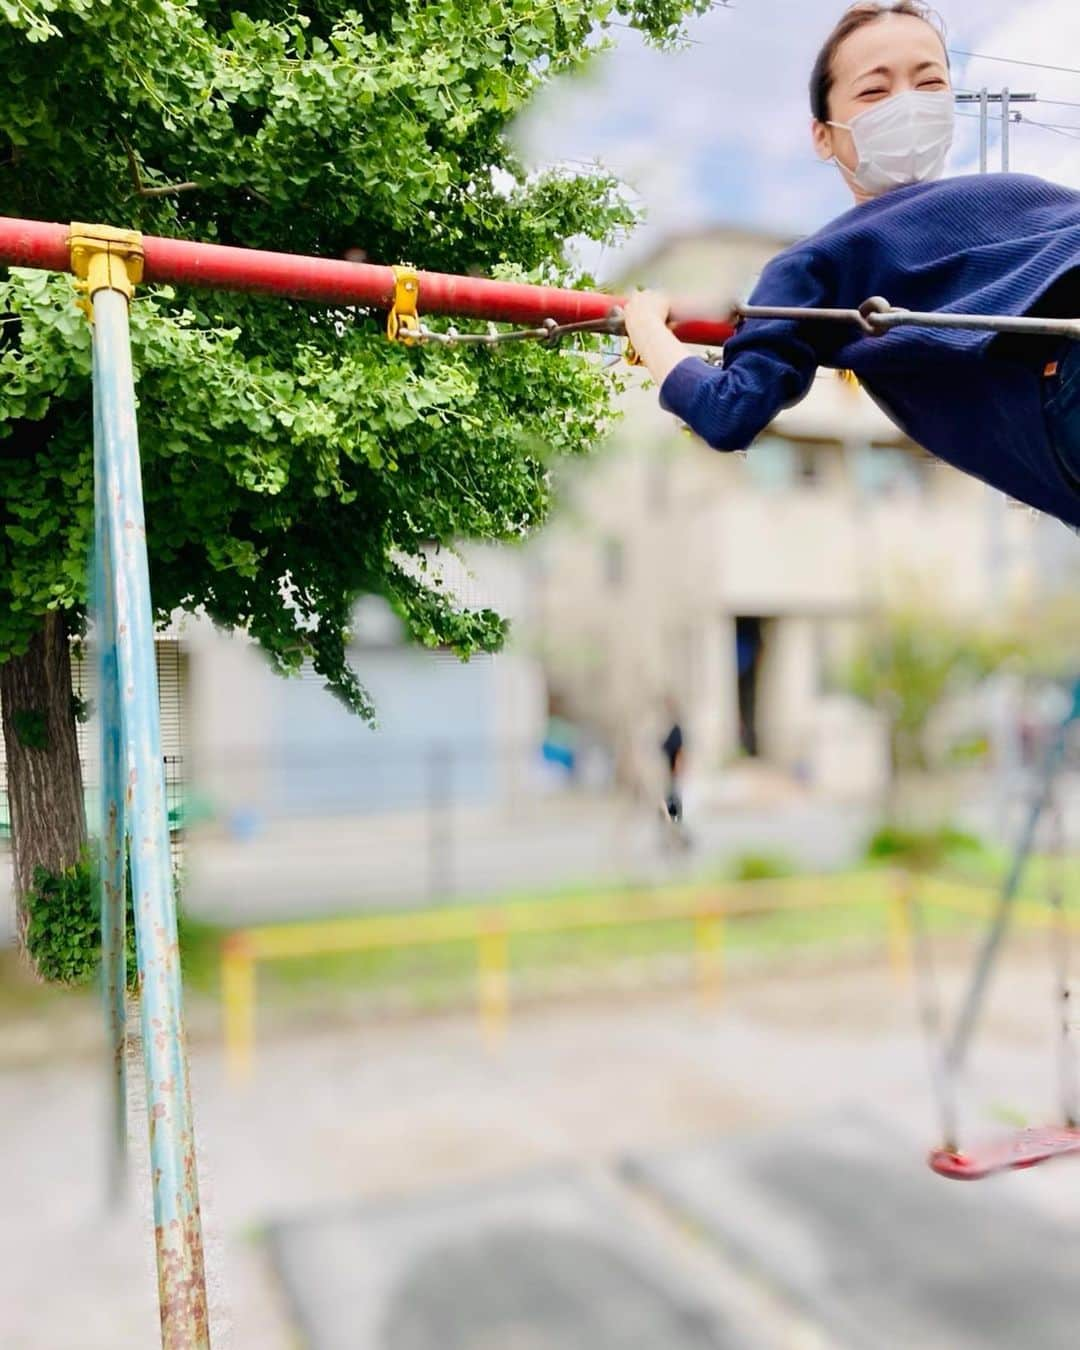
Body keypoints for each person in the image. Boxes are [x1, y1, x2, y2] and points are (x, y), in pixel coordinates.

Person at [621, 1, 1080, 532]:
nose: (907, 104)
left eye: (929, 84)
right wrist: (645, 323)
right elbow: (728, 411)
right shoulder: (821, 258)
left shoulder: (1011, 193)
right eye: (874, 91)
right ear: (823, 134)